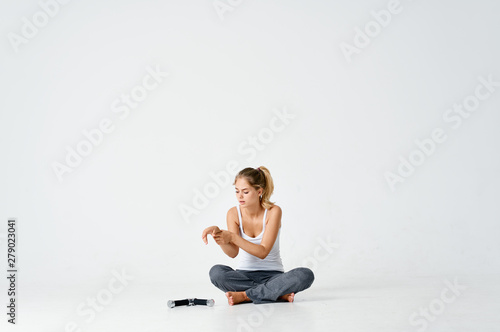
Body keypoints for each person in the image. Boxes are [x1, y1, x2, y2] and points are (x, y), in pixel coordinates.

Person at [201, 166, 314, 305]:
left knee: (305, 275)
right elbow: (233, 253)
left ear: (259, 191)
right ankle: (275, 294)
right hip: (243, 275)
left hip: (273, 276)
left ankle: (246, 296)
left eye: (245, 192)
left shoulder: (274, 211)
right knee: (216, 272)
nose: (239, 196)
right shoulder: (233, 213)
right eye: (237, 191)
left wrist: (233, 237)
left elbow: (262, 252)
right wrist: (220, 238)